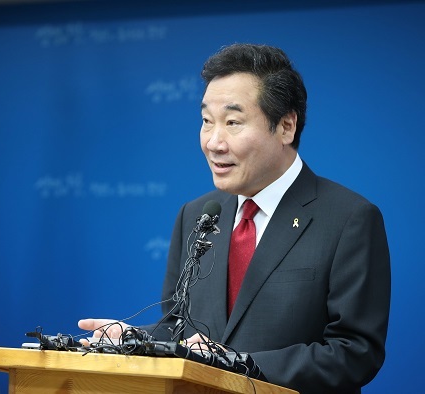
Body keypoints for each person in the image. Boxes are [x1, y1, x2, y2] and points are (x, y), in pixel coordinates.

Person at [78, 43, 390, 394]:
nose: (214, 142)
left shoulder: (349, 219)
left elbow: (355, 353)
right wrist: (137, 339)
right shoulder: (197, 215)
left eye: (233, 122)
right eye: (207, 121)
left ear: (286, 126)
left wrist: (242, 365)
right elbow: (178, 328)